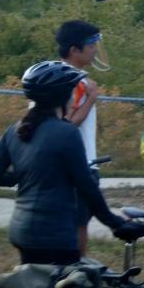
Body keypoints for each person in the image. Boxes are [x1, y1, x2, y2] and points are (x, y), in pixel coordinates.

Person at [0, 61, 144, 264]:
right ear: (64, 96)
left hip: (20, 231)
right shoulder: (66, 132)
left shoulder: (14, 130)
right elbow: (86, 185)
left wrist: (27, 173)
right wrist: (116, 224)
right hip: (54, 235)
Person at [56, 20, 104, 256]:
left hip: (65, 163)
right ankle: (75, 273)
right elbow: (67, 124)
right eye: (91, 44)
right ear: (74, 50)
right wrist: (92, 97)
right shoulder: (73, 80)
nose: (94, 49)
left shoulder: (53, 74)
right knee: (79, 222)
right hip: (78, 164)